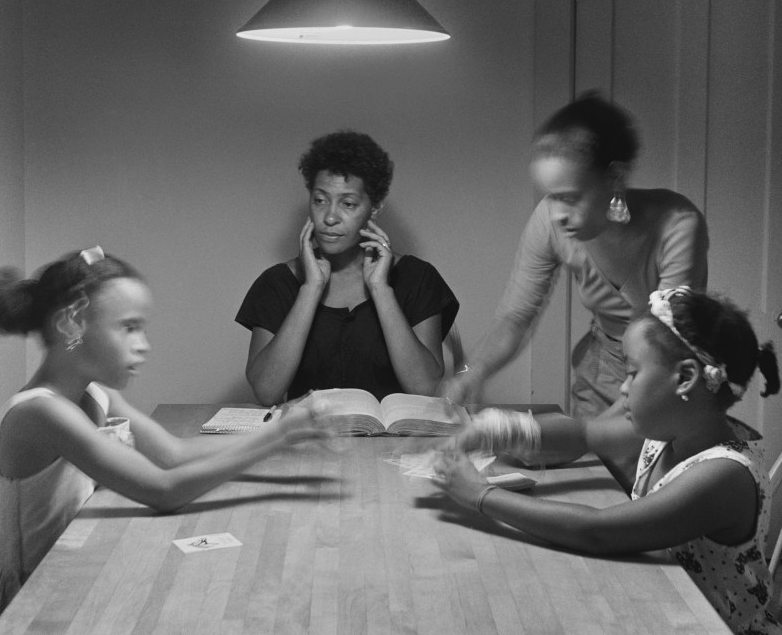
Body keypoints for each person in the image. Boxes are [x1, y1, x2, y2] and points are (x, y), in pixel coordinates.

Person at [0, 246, 331, 635]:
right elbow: (163, 490)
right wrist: (278, 437)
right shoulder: (42, 412)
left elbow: (173, 454)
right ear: (71, 324)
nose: (144, 344)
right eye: (128, 327)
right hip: (29, 604)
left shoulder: (94, 394)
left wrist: (274, 428)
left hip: (70, 570)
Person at [432, 287, 781, 635]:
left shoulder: (724, 475)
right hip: (666, 603)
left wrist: (480, 495)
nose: (624, 388)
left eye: (633, 372)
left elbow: (597, 531)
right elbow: (581, 434)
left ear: (685, 378)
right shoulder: (668, 430)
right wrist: (494, 430)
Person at [442, 92, 708, 419]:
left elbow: (663, 346)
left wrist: (577, 436)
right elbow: (516, 316)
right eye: (551, 197)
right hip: (602, 368)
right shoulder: (551, 219)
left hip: (666, 376)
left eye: (568, 198)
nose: (556, 214)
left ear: (614, 178)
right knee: (594, 468)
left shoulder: (677, 225)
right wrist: (471, 373)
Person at [237, 130, 459, 405]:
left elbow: (425, 388)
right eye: (320, 200)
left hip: (396, 443)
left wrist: (381, 289)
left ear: (375, 207)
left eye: (348, 204)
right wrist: (310, 288)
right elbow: (266, 391)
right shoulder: (277, 282)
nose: (329, 217)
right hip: (306, 441)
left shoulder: (418, 278)